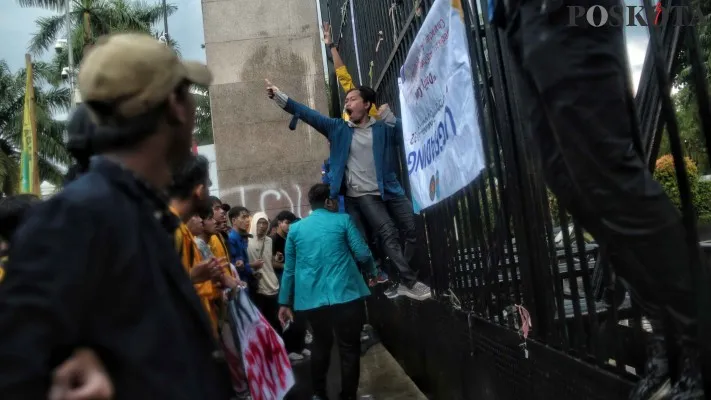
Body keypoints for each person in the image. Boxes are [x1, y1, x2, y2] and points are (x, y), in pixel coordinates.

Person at [0, 32, 234, 398]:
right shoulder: (76, 216)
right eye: (188, 93)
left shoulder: (138, 212)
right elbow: (18, 371)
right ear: (174, 105)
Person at [491, 1, 702, 398]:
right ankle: (669, 332)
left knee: (606, 173)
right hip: (515, 17)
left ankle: (697, 341)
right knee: (571, 182)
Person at [265, 78, 431, 301]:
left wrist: (391, 119)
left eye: (352, 99)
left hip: (389, 189)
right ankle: (410, 281)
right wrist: (279, 96)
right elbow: (307, 114)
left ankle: (401, 279)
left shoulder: (382, 128)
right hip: (362, 194)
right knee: (388, 231)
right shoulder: (338, 129)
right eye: (346, 100)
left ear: (366, 104)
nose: (348, 103)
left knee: (411, 230)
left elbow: (408, 135)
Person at [278, 183, 378, 400]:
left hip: (313, 301)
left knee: (321, 344)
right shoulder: (342, 220)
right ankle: (348, 396)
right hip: (346, 296)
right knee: (349, 347)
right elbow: (362, 253)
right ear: (327, 201)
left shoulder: (295, 230)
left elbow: (289, 270)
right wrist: (372, 272)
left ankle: (319, 394)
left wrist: (284, 302)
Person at [246, 213, 280, 332]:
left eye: (264, 223)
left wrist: (277, 259)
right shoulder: (247, 241)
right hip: (258, 286)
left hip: (272, 284)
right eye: (259, 222)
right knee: (261, 321)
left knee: (275, 320)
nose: (262, 226)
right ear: (254, 223)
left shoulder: (269, 241)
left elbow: (269, 261)